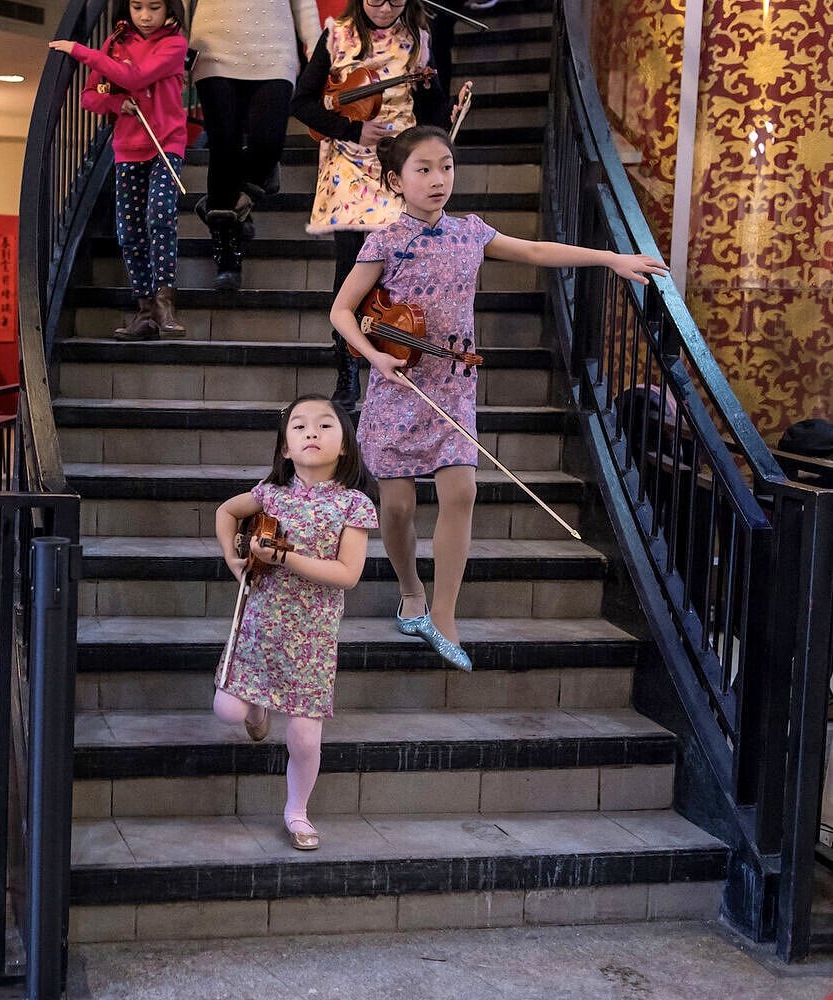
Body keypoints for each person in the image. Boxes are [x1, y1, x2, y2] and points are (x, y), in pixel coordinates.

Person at [329, 126, 667, 669]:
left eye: (446, 166)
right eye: (423, 169)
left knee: (460, 491)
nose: (439, 179)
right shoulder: (386, 238)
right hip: (399, 383)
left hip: (455, 382)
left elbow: (534, 249)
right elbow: (341, 311)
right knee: (396, 507)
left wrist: (610, 259)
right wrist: (374, 358)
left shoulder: (471, 232)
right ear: (395, 179)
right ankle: (411, 592)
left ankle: (444, 615)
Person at [211, 395, 376, 851]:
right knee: (227, 712)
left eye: (325, 426)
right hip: (258, 626)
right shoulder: (268, 494)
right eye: (299, 427)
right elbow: (226, 512)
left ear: (344, 445)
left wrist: (285, 556)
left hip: (313, 638)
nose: (311, 433)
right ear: (285, 447)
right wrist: (233, 559)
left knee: (303, 737)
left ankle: (297, 812)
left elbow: (348, 574)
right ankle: (259, 707)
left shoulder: (354, 504)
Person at [292, 0, 466, 409]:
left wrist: (446, 109)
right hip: (348, 168)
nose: (385, 8)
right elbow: (301, 103)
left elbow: (430, 111)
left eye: (395, 0)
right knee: (352, 268)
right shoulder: (336, 35)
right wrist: (352, 127)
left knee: (398, 269)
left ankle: (398, 354)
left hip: (399, 168)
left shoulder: (417, 40)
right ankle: (348, 368)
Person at [50, 0, 190, 340]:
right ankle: (144, 311)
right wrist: (115, 101)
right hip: (127, 148)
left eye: (154, 7)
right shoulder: (115, 43)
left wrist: (81, 51)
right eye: (137, 6)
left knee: (160, 215)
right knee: (128, 233)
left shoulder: (174, 44)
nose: (144, 16)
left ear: (170, 9)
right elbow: (90, 95)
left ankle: (164, 303)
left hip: (166, 143)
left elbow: (135, 76)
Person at [189, 0, 321, 290]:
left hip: (274, 47)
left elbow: (304, 4)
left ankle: (224, 201)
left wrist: (315, 47)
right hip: (212, 46)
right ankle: (227, 257)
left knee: (269, 144)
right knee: (224, 146)